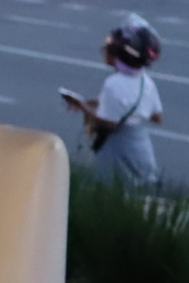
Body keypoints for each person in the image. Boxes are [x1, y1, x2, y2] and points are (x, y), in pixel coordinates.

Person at [64, 15, 165, 184]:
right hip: (142, 151)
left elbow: (108, 123)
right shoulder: (146, 81)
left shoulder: (114, 84)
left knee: (114, 190)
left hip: (119, 151)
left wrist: (82, 106)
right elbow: (156, 117)